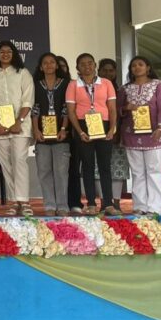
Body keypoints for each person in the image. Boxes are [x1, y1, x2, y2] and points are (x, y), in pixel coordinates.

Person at [0, 40, 35, 216]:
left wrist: (18, 122)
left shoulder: (23, 73)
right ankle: (14, 201)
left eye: (8, 51)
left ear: (14, 54)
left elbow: (28, 100)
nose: (5, 54)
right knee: (6, 164)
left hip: (20, 126)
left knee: (19, 161)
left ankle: (24, 201)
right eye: (2, 52)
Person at [65, 52, 119, 215]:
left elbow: (112, 108)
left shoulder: (106, 83)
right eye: (82, 64)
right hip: (83, 126)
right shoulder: (73, 85)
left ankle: (108, 203)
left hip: (103, 124)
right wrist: (79, 131)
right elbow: (71, 111)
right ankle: (90, 203)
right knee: (87, 165)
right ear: (77, 68)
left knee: (105, 165)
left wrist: (112, 129)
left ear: (95, 65)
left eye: (90, 63)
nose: (87, 66)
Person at [119, 56, 161, 214]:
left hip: (154, 134)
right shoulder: (125, 88)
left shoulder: (157, 85)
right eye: (133, 65)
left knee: (154, 171)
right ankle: (140, 207)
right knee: (137, 172)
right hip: (131, 134)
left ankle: (155, 208)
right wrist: (126, 107)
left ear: (148, 68)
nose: (137, 67)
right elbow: (118, 109)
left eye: (140, 64)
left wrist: (160, 127)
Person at [31, 53, 71, 216]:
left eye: (52, 62)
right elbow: (35, 109)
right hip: (42, 135)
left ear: (57, 65)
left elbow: (67, 108)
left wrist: (64, 128)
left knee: (61, 172)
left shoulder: (66, 84)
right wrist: (36, 130)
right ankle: (49, 205)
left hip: (62, 135)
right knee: (44, 171)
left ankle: (62, 206)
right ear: (41, 67)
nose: (48, 65)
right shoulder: (35, 85)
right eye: (45, 63)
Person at [99, 58, 130, 204]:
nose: (107, 73)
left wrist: (116, 131)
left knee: (118, 167)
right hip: (98, 134)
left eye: (111, 70)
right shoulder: (93, 89)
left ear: (115, 72)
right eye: (104, 70)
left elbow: (122, 112)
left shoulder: (121, 91)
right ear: (98, 71)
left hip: (118, 134)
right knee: (99, 168)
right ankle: (104, 202)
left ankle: (116, 202)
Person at [57, 55, 83, 212]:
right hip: (52, 134)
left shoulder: (74, 85)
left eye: (63, 66)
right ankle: (58, 203)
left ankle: (74, 202)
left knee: (73, 169)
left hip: (73, 133)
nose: (60, 69)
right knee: (57, 171)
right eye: (57, 65)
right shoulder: (43, 85)